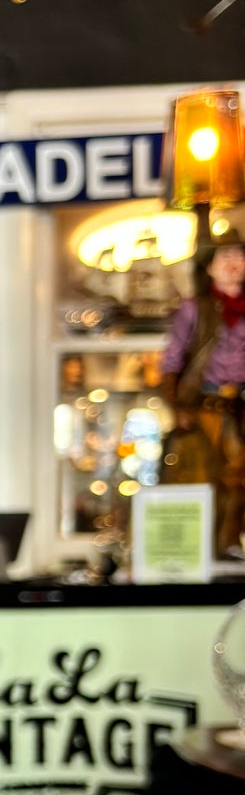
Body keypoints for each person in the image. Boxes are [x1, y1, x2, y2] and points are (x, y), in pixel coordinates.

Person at [160, 223, 245, 555]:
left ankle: (228, 543)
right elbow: (172, 361)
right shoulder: (195, 308)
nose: (233, 263)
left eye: (239, 256)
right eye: (225, 256)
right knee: (199, 475)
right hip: (204, 405)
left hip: (239, 405)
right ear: (210, 266)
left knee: (237, 479)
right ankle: (196, 549)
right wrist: (176, 405)